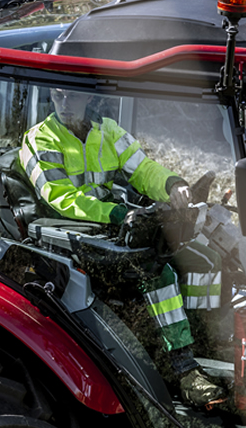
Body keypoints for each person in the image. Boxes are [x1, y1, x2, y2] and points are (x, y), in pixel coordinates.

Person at [19, 88, 225, 409]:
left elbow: (143, 170)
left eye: (71, 96)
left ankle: (206, 341)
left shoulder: (108, 132)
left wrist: (172, 184)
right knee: (159, 271)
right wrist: (115, 214)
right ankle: (183, 370)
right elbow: (60, 197)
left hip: (114, 225)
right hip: (71, 235)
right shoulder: (40, 139)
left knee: (201, 256)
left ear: (87, 98)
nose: (63, 103)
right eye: (57, 95)